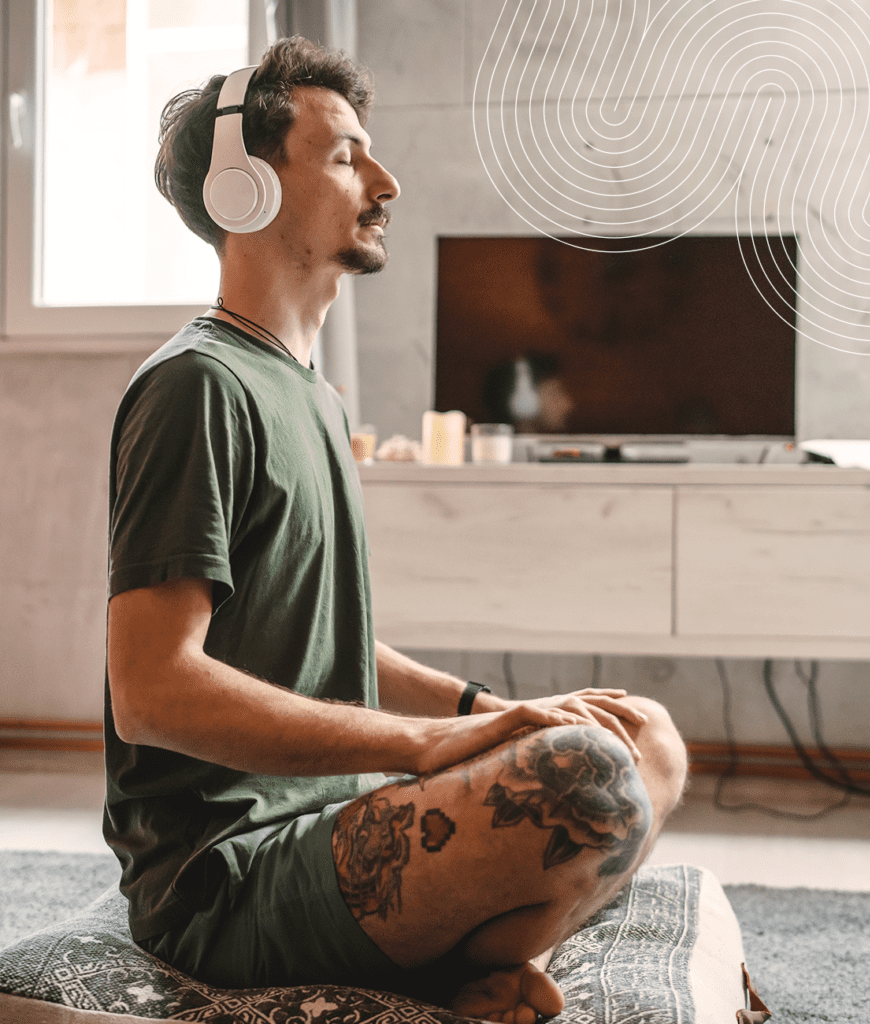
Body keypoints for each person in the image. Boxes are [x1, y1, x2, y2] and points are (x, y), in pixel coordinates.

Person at [104, 37, 688, 1023]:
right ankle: (464, 961)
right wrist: (430, 742)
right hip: (227, 879)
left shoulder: (315, 399)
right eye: (345, 156)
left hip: (333, 821)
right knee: (584, 780)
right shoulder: (195, 388)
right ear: (245, 189)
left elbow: (317, 643)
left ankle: (464, 962)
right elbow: (152, 691)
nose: (387, 180)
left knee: (638, 733)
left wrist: (492, 706)